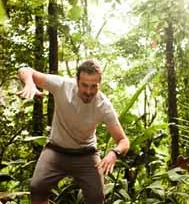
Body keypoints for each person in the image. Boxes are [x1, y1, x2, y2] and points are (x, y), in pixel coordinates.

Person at [17, 60, 130, 204]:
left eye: (93, 86)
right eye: (84, 85)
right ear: (77, 81)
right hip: (55, 150)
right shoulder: (62, 85)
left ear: (99, 84)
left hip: (86, 154)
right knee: (37, 187)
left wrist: (114, 153)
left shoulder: (104, 105)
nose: (88, 91)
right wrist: (30, 83)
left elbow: (123, 141)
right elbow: (25, 69)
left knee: (97, 198)